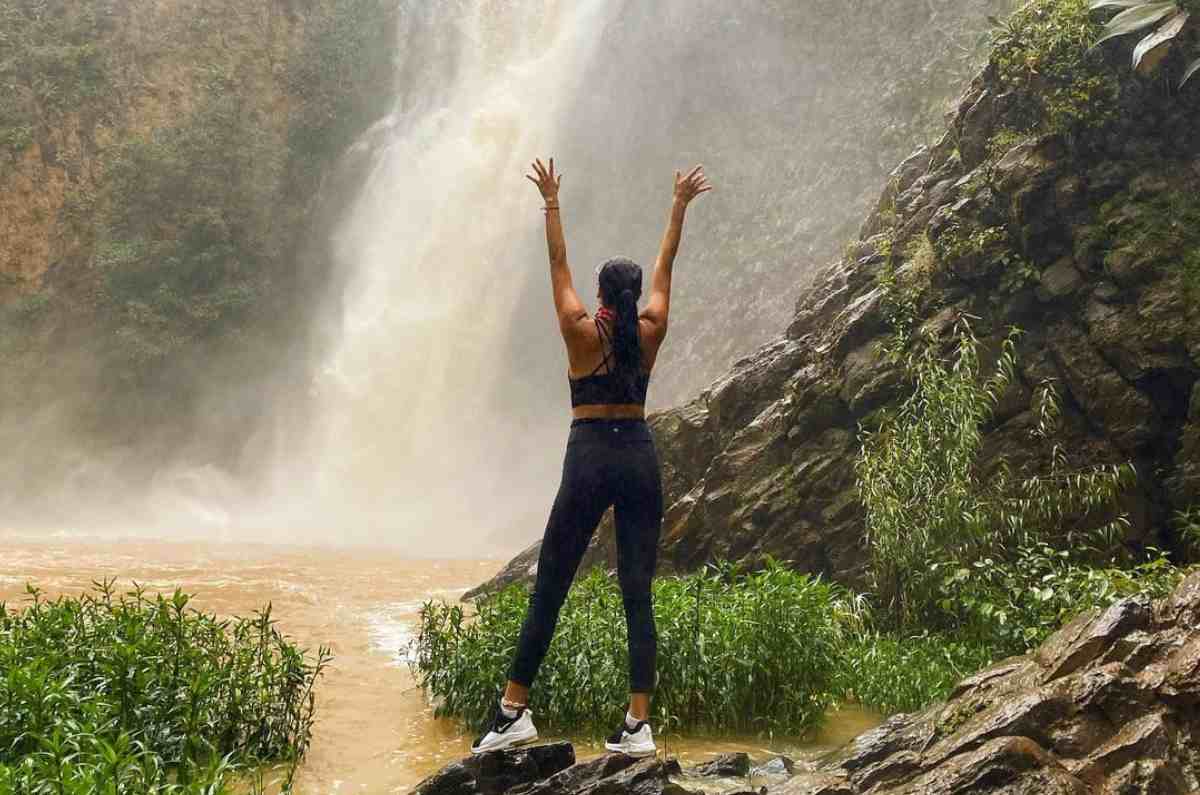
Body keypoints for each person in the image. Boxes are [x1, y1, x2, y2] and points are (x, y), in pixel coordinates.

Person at [471, 158, 712, 757]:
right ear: (634, 299)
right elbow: (667, 266)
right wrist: (678, 205)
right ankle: (638, 725)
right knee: (637, 591)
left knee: (551, 582)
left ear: (602, 295)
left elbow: (557, 265)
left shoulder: (580, 330)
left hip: (588, 456)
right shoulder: (651, 330)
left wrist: (551, 203)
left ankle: (513, 712)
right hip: (637, 454)